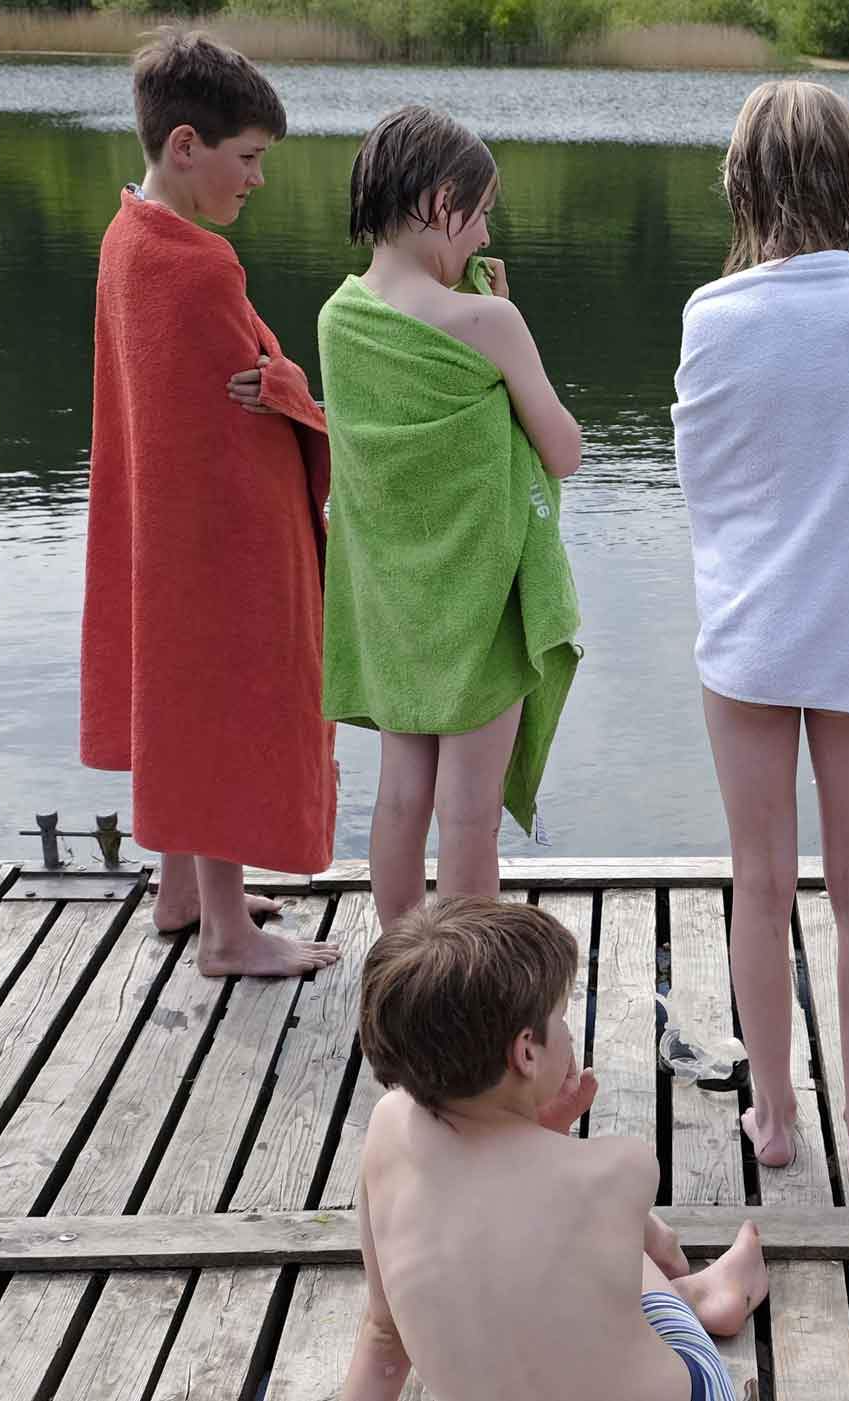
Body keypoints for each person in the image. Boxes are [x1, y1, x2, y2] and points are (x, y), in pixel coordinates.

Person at [671, 80, 849, 1182]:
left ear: (743, 182)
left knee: (759, 875)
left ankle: (777, 1117)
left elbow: (708, 479)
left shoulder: (713, 312)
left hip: (751, 628)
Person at [79, 28, 339, 977]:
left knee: (179, 693)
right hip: (220, 542)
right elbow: (264, 387)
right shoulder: (196, 266)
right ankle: (228, 937)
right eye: (249, 158)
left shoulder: (128, 237)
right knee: (225, 703)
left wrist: (268, 379)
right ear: (184, 146)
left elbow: (229, 382)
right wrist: (294, 389)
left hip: (162, 533)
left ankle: (183, 890)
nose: (258, 180)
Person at [319, 106, 584, 931]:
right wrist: (513, 326)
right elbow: (562, 448)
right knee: (467, 812)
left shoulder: (340, 317)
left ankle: (398, 958)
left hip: (393, 605)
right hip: (478, 607)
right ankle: (465, 988)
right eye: (481, 212)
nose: (484, 232)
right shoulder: (488, 322)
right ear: (442, 203)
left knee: (401, 795)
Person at [342, 898, 767, 1401]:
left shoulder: (388, 1129)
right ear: (526, 1052)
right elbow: (666, 1251)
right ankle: (703, 1295)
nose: (568, 1031)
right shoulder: (619, 1168)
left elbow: (385, 1336)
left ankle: (699, 1296)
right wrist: (553, 1135)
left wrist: (536, 1128)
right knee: (620, 1257)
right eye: (561, 1018)